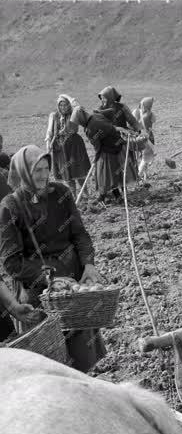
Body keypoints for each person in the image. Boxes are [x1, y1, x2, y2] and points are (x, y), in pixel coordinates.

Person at [0, 145, 106, 370]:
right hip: (39, 290)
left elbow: (79, 233)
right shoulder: (11, 206)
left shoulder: (61, 193)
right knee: (48, 366)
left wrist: (88, 264)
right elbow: (12, 262)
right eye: (36, 170)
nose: (42, 175)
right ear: (23, 171)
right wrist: (52, 277)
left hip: (73, 286)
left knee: (81, 357)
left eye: (46, 168)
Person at [71, 106, 137, 203]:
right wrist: (115, 127)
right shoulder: (96, 115)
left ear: (81, 120)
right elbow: (111, 112)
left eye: (79, 122)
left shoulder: (90, 129)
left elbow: (97, 147)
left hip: (108, 151)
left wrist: (96, 158)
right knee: (114, 174)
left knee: (104, 175)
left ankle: (107, 196)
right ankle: (114, 196)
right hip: (118, 144)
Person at [44, 95, 91, 198]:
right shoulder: (54, 115)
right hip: (60, 148)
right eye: (61, 105)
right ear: (58, 105)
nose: (63, 107)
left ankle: (86, 194)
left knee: (78, 170)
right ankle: (73, 196)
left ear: (69, 105)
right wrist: (48, 143)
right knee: (66, 173)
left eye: (65, 104)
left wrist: (66, 96)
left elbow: (78, 106)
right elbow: (49, 131)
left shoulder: (74, 112)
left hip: (74, 145)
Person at [132, 97, 156, 182]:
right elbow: (154, 120)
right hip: (147, 138)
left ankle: (145, 176)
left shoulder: (136, 112)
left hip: (137, 138)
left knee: (143, 157)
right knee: (145, 159)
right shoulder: (150, 114)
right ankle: (138, 176)